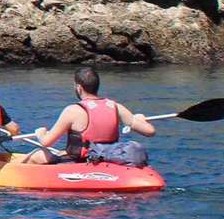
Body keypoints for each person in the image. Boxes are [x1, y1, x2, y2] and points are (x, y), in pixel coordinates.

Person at [16, 66, 156, 166]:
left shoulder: (73, 110)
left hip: (79, 161)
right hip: (106, 157)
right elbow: (150, 131)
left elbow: (46, 142)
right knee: (56, 153)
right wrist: (139, 119)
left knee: (37, 155)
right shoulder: (115, 106)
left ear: (79, 87)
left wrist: (40, 133)